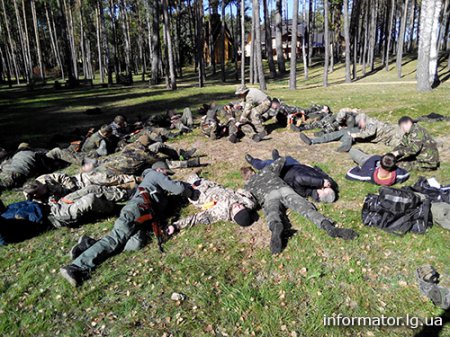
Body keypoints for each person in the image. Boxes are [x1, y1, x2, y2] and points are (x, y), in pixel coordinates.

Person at [59, 161, 197, 287]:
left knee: (136, 243)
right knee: (115, 239)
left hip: (142, 217)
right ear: (160, 170)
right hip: (136, 211)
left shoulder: (152, 183)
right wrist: (191, 191)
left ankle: (89, 244)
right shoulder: (155, 174)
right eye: (167, 174)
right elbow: (177, 189)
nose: (168, 177)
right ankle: (75, 267)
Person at [241, 157, 358, 254]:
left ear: (245, 178)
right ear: (253, 171)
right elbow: (282, 160)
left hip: (268, 196)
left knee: (272, 212)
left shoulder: (248, 186)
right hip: (284, 189)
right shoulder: (266, 170)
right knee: (306, 208)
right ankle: (328, 226)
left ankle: (276, 225)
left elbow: (250, 202)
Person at [166, 173, 257, 233]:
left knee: (179, 184)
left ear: (233, 215)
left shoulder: (219, 212)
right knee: (194, 176)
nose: (238, 205)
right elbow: (250, 197)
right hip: (210, 185)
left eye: (237, 209)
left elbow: (196, 219)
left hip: (196, 193)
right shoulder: (248, 203)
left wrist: (176, 225)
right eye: (241, 207)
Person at [245, 150, 337, 203]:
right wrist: (313, 168)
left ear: (321, 194)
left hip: (285, 170)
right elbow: (325, 176)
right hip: (297, 166)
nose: (324, 186)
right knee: (287, 158)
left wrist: (321, 182)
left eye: (324, 188)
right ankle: (277, 157)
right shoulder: (325, 185)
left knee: (265, 164)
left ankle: (253, 162)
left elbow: (300, 178)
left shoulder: (305, 192)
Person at [23, 181, 124, 228]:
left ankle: (124, 194)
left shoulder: (47, 186)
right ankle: (116, 209)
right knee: (90, 199)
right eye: (33, 193)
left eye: (37, 189)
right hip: (57, 215)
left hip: (61, 202)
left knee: (91, 188)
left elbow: (64, 191)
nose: (35, 194)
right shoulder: (32, 203)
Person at [300, 113, 402, 152]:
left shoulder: (371, 124)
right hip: (363, 133)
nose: (359, 124)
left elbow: (368, 134)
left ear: (364, 121)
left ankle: (314, 141)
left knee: (347, 134)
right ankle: (313, 141)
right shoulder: (366, 121)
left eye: (360, 123)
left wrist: (354, 134)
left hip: (370, 137)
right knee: (343, 132)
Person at [46, 125, 116, 165]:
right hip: (82, 152)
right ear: (105, 133)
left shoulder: (97, 134)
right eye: (110, 134)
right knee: (58, 151)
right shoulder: (100, 140)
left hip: (79, 148)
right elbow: (103, 152)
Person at [345, 149, 409, 186]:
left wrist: (359, 167)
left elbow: (349, 174)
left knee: (352, 150)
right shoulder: (399, 174)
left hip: (366, 160)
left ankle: (359, 151)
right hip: (378, 160)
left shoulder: (368, 175)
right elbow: (406, 173)